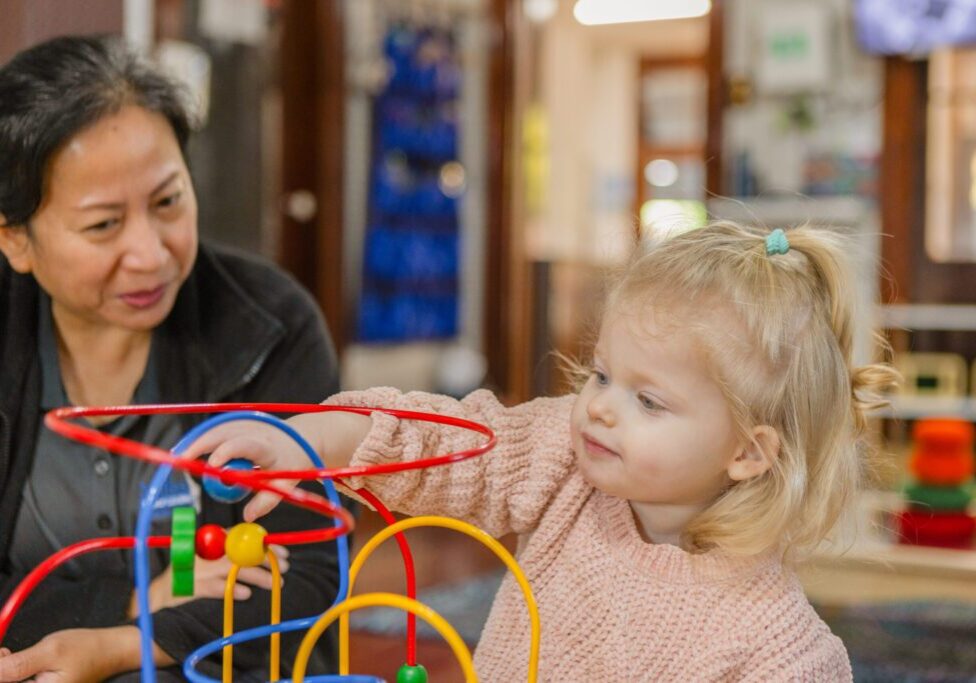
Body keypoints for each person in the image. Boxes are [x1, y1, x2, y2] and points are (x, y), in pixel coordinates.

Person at [187, 221, 900, 681]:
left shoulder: (779, 651)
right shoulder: (567, 457)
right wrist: (313, 438)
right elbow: (453, 446)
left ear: (749, 451)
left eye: (648, 401)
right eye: (602, 373)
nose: (599, 406)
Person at [0, 35, 343, 681]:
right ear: (15, 238)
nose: (151, 254)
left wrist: (114, 645)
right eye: (103, 224)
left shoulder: (268, 325)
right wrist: (133, 599)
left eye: (168, 201)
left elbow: (302, 576)